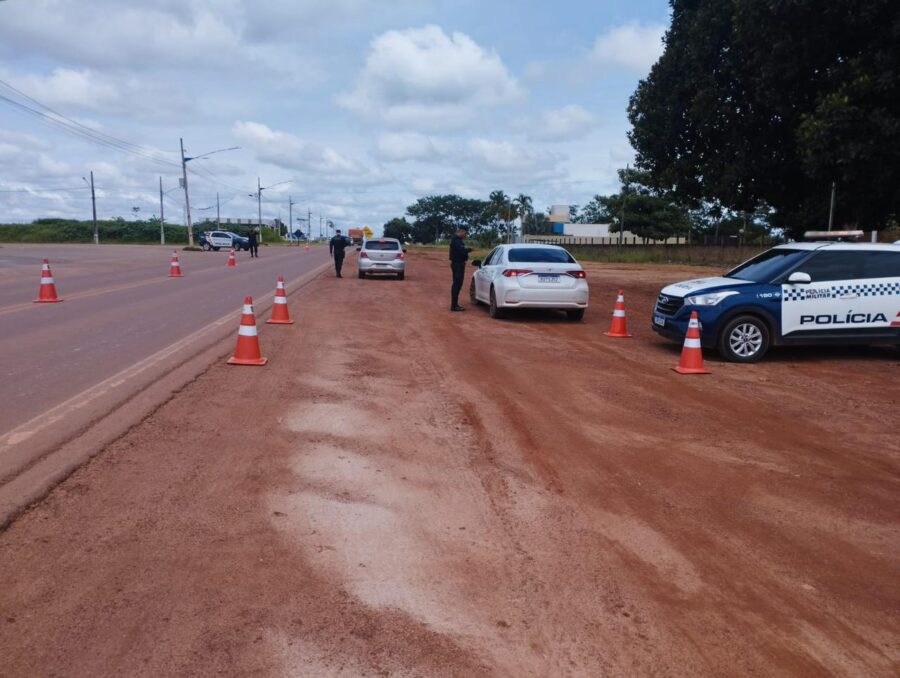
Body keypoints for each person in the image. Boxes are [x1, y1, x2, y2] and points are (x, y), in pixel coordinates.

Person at [449, 225, 472, 311]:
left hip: (459, 264)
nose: (466, 235)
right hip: (457, 264)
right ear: (461, 231)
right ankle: (454, 306)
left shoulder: (458, 240)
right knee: (457, 284)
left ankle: (455, 305)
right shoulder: (456, 240)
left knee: (458, 284)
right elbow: (462, 251)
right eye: (465, 233)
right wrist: (468, 250)